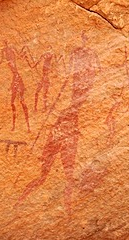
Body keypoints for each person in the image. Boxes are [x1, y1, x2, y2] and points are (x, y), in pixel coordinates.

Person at [16, 32, 101, 214]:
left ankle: (67, 210)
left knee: (61, 178)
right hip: (64, 136)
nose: (84, 40)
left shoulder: (71, 115)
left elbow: (93, 73)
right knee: (45, 177)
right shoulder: (69, 113)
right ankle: (21, 201)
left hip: (65, 136)